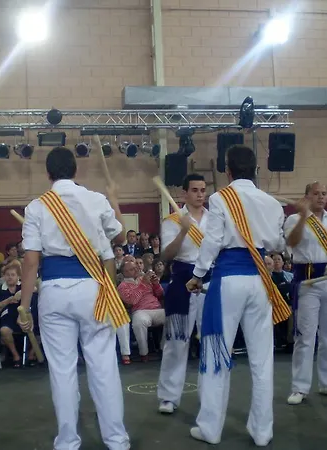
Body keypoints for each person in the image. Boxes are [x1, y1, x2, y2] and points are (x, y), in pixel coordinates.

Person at [18, 146, 130, 450]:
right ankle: (117, 440)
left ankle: (67, 442)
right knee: (104, 367)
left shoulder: (37, 207)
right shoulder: (96, 199)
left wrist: (24, 306)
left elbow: (31, 261)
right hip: (93, 289)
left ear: (48, 174)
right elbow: (121, 238)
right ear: (75, 171)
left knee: (62, 371)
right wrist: (114, 199)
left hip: (54, 291)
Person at [186, 145, 291, 446]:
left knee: (217, 353)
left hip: (229, 280)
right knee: (262, 359)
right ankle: (262, 431)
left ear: (227, 171)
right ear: (256, 170)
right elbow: (276, 243)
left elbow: (212, 242)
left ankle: (210, 428)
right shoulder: (272, 202)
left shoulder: (221, 198)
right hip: (260, 280)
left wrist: (197, 275)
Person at [157, 173, 210, 414]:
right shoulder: (173, 221)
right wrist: (183, 232)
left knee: (211, 340)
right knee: (177, 342)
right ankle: (169, 397)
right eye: (195, 190)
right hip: (182, 281)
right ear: (184, 193)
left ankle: (210, 395)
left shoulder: (215, 219)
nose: (200, 194)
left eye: (203, 190)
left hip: (209, 280)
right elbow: (166, 256)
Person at [284, 182, 327, 405]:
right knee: (306, 336)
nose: (321, 197)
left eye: (324, 194)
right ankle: (300, 387)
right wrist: (303, 217)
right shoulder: (294, 219)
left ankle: (325, 382)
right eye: (316, 193)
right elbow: (292, 243)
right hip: (308, 281)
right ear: (306, 196)